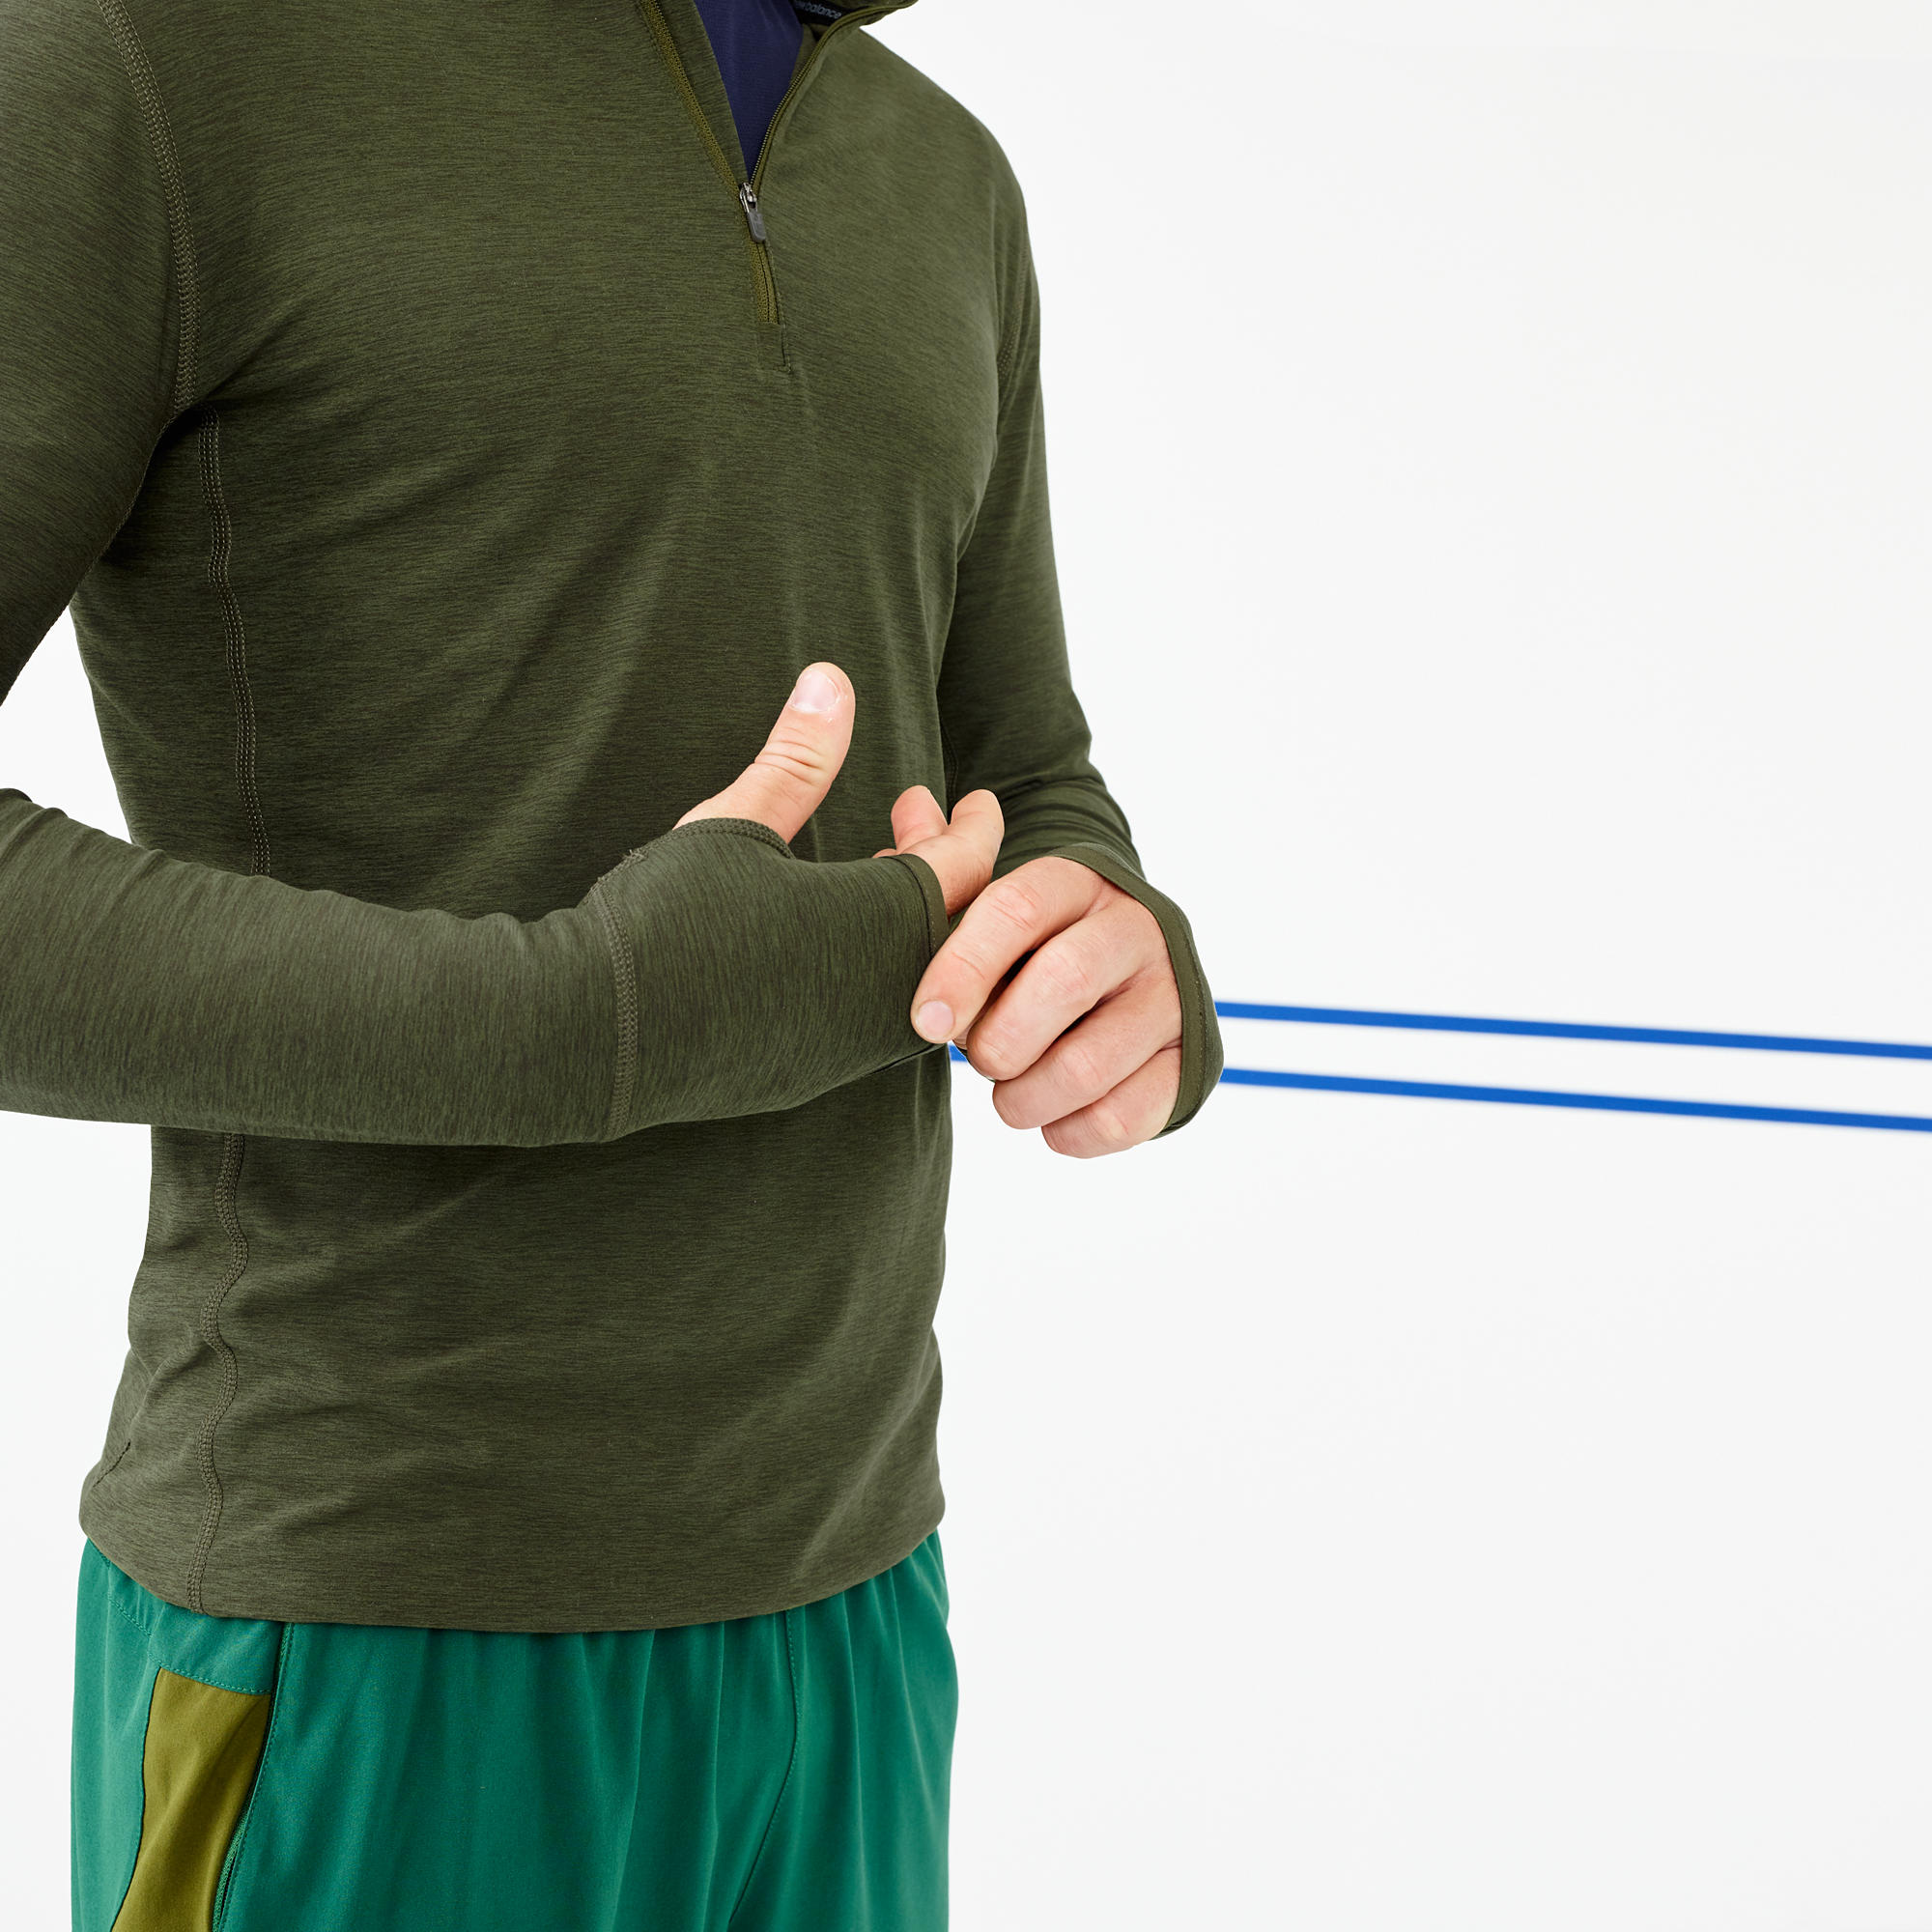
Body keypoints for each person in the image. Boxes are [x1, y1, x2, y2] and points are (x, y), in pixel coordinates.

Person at [0, 0, 1225, 1922]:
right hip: (374, 1639)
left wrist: (1116, 952)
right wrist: (588, 1024)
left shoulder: (945, 178)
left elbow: (1025, 772)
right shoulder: (146, 57)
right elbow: (615, 1013)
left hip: (853, 1614)